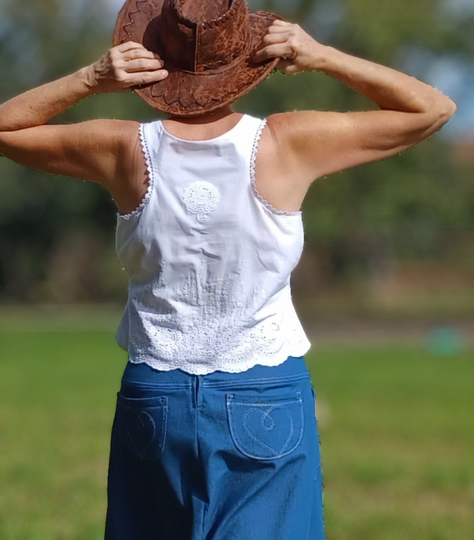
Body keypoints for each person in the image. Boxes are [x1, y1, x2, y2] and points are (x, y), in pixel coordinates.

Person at [0, 0, 456, 538]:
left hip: (155, 395)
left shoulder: (124, 149)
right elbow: (432, 108)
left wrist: (91, 78)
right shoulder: (288, 142)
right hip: (265, 391)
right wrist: (322, 56)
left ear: (157, 58)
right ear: (245, 60)